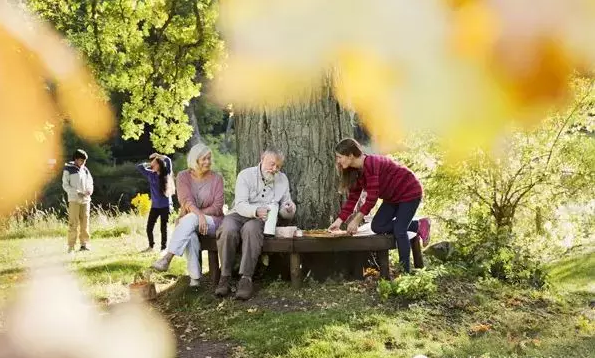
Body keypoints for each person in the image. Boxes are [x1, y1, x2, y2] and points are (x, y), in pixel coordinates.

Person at [328, 138, 431, 273]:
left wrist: (356, 220)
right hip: (392, 197)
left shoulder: (371, 163)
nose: (338, 161)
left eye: (339, 157)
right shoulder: (355, 171)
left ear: (350, 156)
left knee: (400, 230)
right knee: (377, 226)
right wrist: (339, 221)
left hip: (409, 191)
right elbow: (353, 198)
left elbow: (372, 198)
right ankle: (417, 225)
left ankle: (405, 273)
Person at [215, 148, 296, 300]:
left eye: (278, 166)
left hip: (261, 219)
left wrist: (289, 208)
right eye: (272, 164)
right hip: (239, 213)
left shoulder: (282, 179)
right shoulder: (246, 175)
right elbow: (240, 204)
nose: (274, 169)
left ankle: (246, 278)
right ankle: (224, 276)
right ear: (262, 158)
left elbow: (286, 206)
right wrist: (256, 210)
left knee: (251, 230)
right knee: (227, 229)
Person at [151, 143, 224, 287]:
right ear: (194, 160)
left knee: (189, 218)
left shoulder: (217, 178)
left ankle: (168, 257)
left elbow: (217, 207)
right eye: (203, 159)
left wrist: (199, 216)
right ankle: (195, 279)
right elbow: (186, 201)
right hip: (191, 221)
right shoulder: (183, 176)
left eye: (209, 158)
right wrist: (198, 216)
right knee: (190, 234)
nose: (207, 162)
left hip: (214, 222)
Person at [136, 153, 175, 253]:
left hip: (165, 206)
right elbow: (139, 167)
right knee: (149, 227)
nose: (152, 166)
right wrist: (151, 164)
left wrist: (158, 155)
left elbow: (168, 160)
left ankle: (163, 248)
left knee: (163, 228)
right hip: (155, 207)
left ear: (159, 165)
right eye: (152, 164)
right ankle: (151, 246)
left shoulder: (166, 173)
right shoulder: (150, 174)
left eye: (155, 164)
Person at [62, 149, 94, 253]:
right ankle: (71, 246)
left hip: (85, 200)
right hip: (74, 199)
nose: (83, 163)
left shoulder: (85, 170)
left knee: (85, 222)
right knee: (73, 223)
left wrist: (89, 190)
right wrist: (77, 192)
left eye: (85, 161)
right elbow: (65, 185)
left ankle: (84, 245)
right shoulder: (68, 169)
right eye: (82, 161)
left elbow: (90, 183)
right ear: (76, 159)